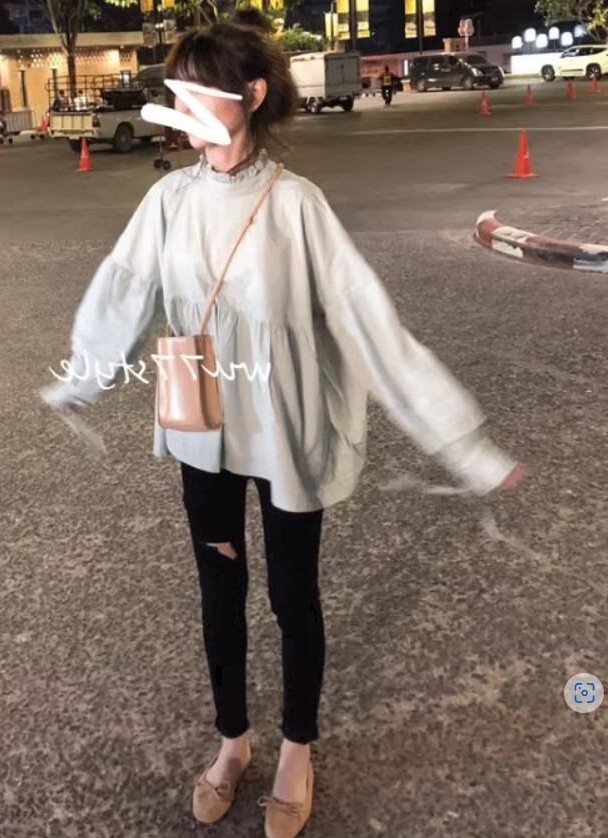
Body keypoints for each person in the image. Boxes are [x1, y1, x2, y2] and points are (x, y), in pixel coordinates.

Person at [40, 22, 525, 838]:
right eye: (175, 92)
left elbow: (371, 325)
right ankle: (232, 740)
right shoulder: (168, 200)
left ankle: (297, 747)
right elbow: (122, 290)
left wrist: (463, 445)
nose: (181, 107)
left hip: (286, 434)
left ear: (251, 95)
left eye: (196, 91)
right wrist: (81, 378)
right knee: (217, 591)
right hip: (203, 431)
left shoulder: (296, 205)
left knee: (292, 597)